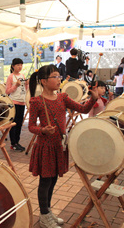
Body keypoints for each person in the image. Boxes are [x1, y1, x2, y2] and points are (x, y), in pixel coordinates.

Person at [28, 65, 98, 228]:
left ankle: (48, 211)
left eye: (59, 76)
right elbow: (31, 127)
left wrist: (93, 98)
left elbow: (83, 109)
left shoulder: (63, 97)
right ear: (44, 81)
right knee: (45, 182)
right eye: (55, 77)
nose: (59, 79)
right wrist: (43, 130)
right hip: (45, 146)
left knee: (52, 181)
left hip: (59, 145)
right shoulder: (37, 101)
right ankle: (44, 216)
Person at [6, 58, 29, 151]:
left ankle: (17, 142)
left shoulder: (22, 75)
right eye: (18, 65)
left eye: (21, 65)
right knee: (13, 123)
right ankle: (13, 143)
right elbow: (7, 91)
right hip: (14, 102)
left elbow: (25, 89)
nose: (20, 67)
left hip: (22, 102)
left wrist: (27, 83)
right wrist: (16, 85)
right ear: (13, 66)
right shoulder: (10, 77)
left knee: (19, 123)